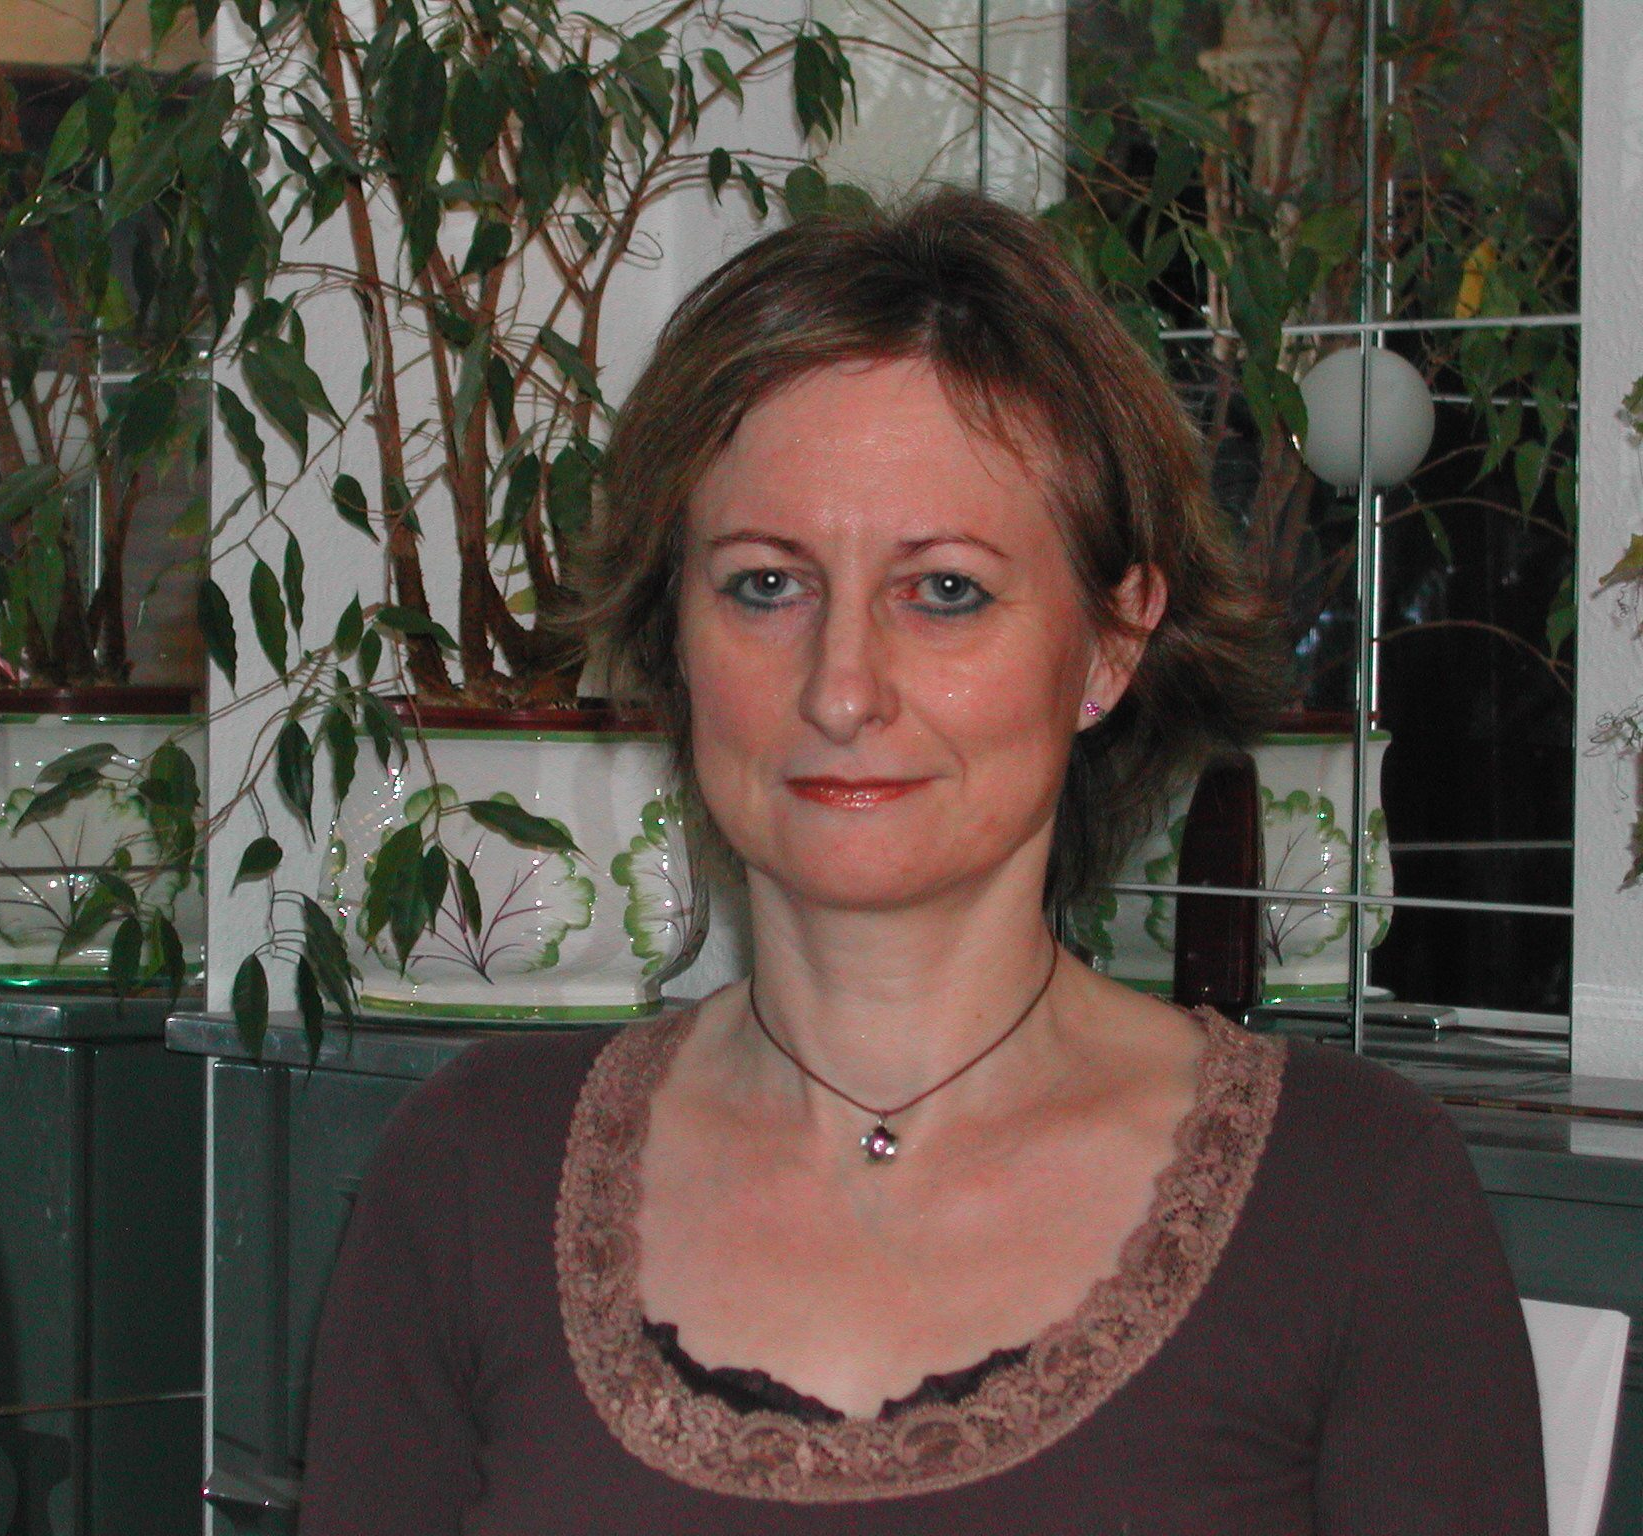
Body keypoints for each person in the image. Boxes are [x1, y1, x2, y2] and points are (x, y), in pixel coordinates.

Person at [296, 188, 1546, 1534]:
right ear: (673, 635)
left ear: (1111, 641)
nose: (842, 689)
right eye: (766, 584)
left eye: (945, 589)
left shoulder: (1352, 1201)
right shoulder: (476, 1178)